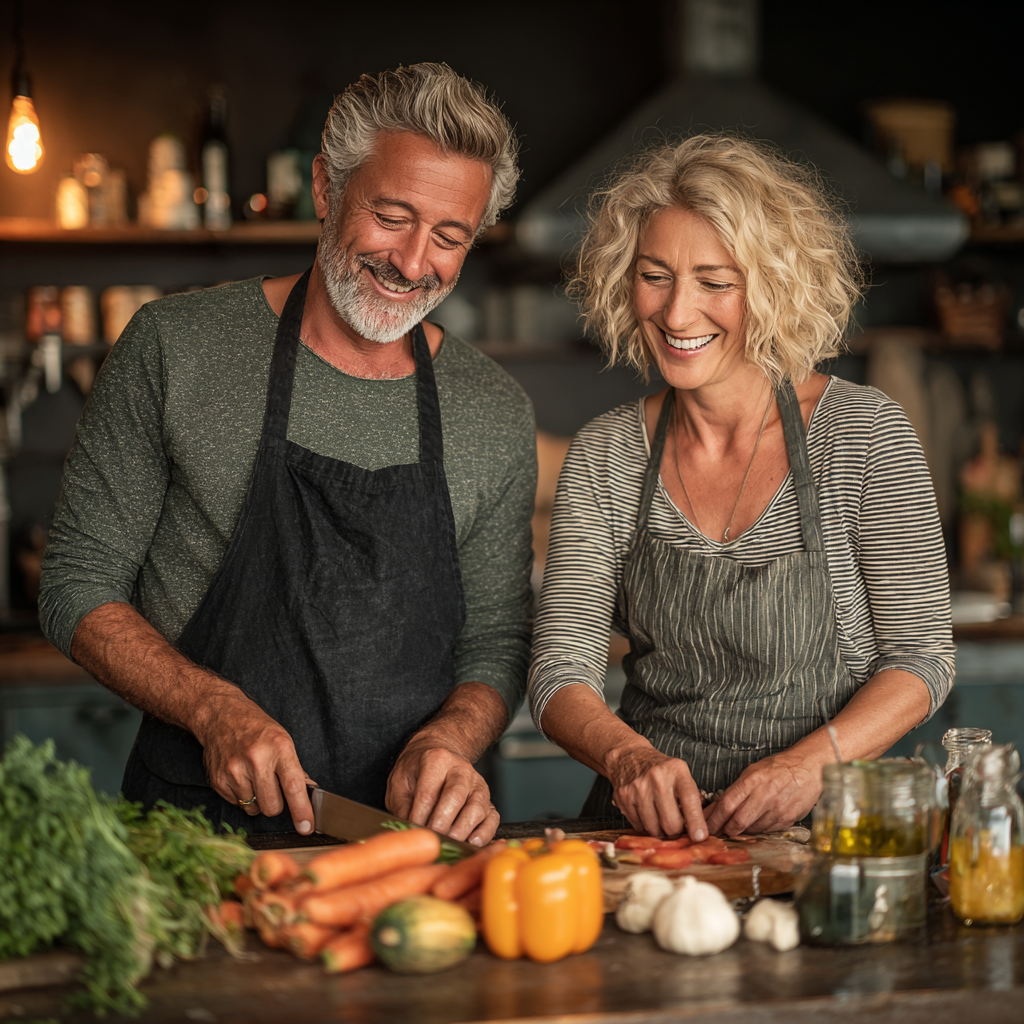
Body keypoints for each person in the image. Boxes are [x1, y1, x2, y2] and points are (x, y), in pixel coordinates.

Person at [39, 64, 536, 847]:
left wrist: (452, 740)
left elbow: (497, 643)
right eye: (393, 215)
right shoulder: (177, 346)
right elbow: (76, 584)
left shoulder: (493, 409)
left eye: (449, 236)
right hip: (194, 839)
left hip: (406, 844)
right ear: (327, 187)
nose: (412, 262)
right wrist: (214, 710)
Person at [528, 134, 954, 840]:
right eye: (654, 274)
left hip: (829, 834)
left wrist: (810, 767)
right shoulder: (607, 454)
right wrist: (628, 759)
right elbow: (558, 671)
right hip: (649, 839)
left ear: (776, 285)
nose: (677, 312)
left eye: (715, 281)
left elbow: (921, 660)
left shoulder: (864, 434)